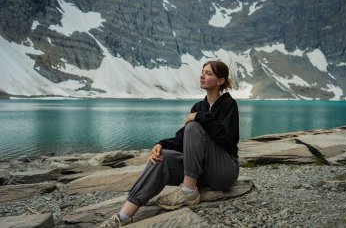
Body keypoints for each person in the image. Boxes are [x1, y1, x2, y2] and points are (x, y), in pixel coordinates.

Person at [97, 60, 240, 227]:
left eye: (208, 73)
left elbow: (229, 140)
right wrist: (161, 144)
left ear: (220, 81)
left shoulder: (229, 104)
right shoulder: (198, 106)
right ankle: (122, 217)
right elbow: (183, 139)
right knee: (162, 157)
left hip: (224, 172)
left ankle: (188, 191)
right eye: (202, 72)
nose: (202, 76)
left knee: (193, 126)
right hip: (203, 173)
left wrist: (199, 118)